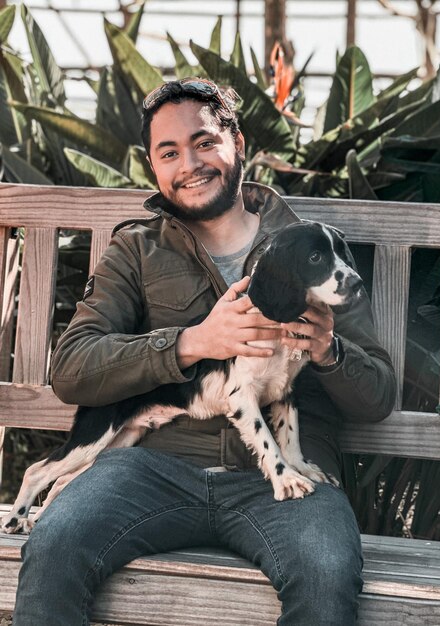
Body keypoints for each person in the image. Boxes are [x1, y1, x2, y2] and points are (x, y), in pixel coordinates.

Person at [13, 78, 396, 625]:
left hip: (284, 478)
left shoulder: (313, 245)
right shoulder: (137, 249)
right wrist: (191, 343)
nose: (189, 163)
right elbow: (73, 369)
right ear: (154, 167)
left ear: (237, 142)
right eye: (169, 152)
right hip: (148, 469)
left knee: (324, 569)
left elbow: (378, 394)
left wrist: (330, 351)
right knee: (53, 549)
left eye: (204, 142)